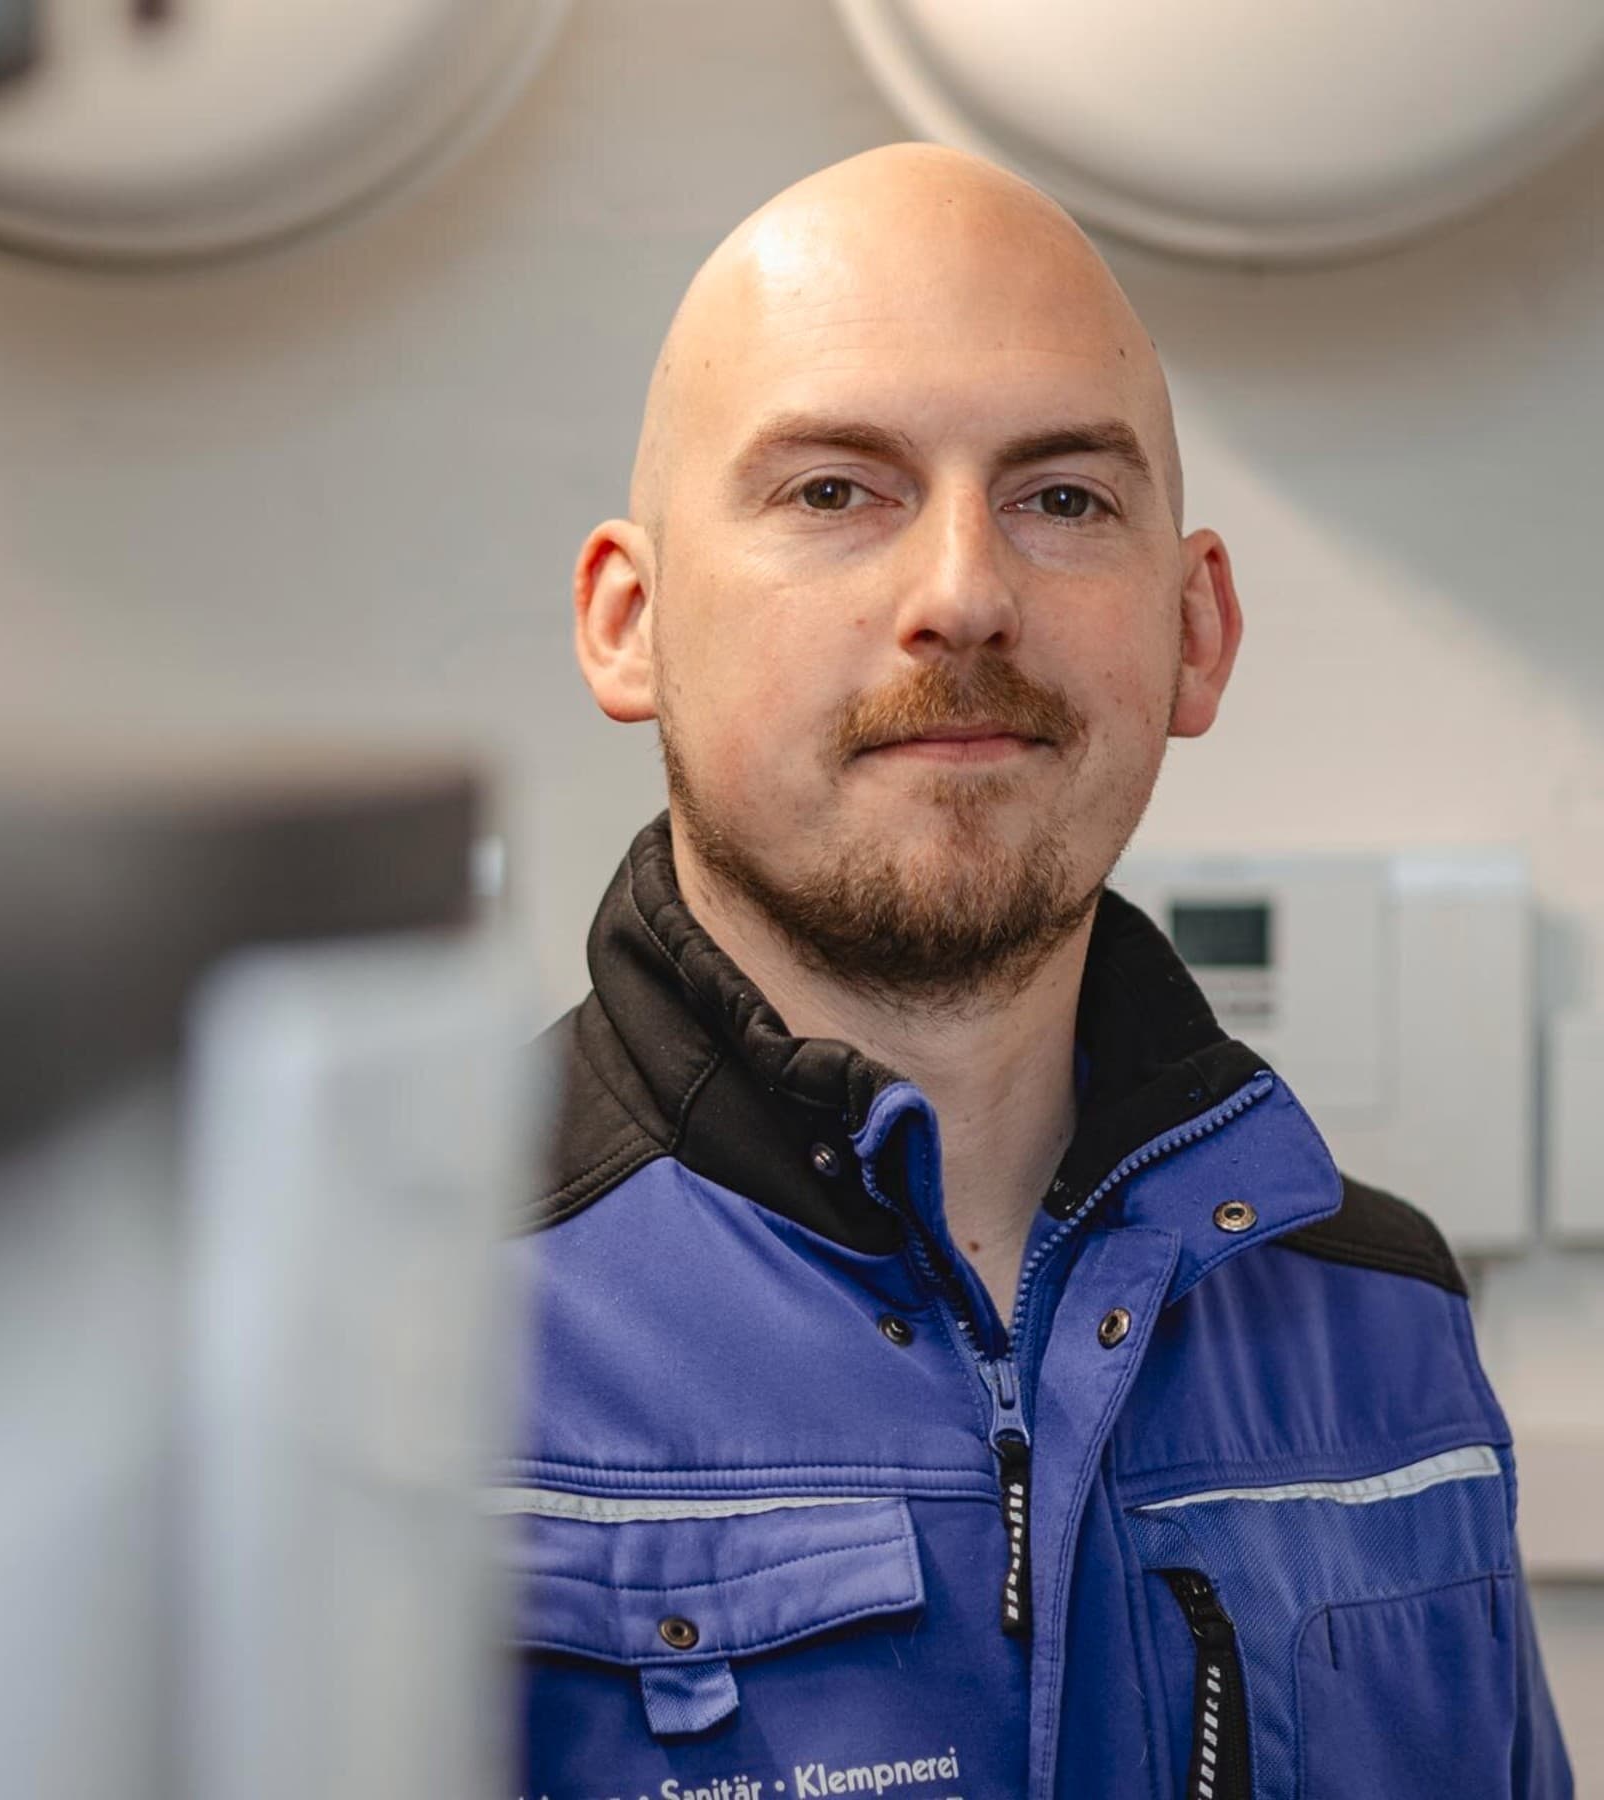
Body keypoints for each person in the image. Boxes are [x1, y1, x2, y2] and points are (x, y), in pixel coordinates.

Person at [506, 143, 1571, 1800]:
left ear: (1195, 629)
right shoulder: (394, 1330)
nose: (964, 592)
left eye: (1061, 496)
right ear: (627, 622)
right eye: (834, 491)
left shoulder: (1388, 1332)